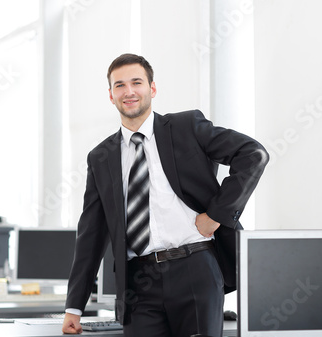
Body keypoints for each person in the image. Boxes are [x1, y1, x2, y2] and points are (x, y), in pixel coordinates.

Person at [62, 53, 269, 337]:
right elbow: (91, 233)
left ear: (152, 89)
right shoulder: (100, 157)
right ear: (110, 95)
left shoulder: (186, 127)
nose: (129, 91)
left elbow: (253, 154)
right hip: (138, 282)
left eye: (137, 82)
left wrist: (217, 215)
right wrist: (74, 306)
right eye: (120, 85)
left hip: (195, 267)